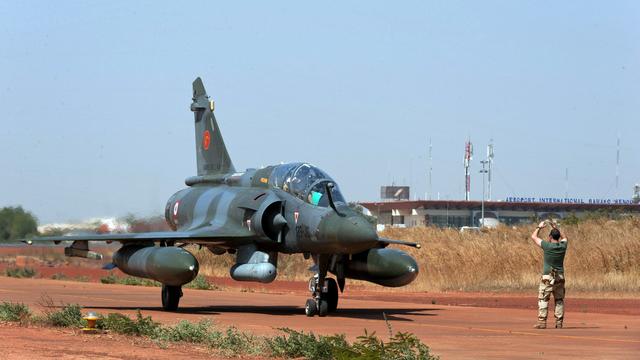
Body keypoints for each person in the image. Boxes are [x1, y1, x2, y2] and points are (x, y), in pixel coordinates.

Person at [531, 220, 568, 329]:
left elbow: (533, 237)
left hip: (548, 276)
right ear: (558, 237)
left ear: (550, 237)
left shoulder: (547, 246)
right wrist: (556, 227)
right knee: (559, 300)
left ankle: (542, 322)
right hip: (560, 276)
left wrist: (539, 227)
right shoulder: (563, 246)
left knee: (543, 298)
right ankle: (559, 322)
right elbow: (565, 237)